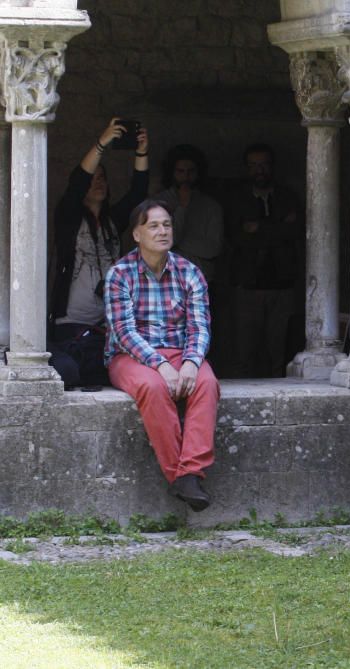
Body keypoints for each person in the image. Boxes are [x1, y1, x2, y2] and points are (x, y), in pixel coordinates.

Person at [105, 199, 220, 511]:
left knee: (207, 385)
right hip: (130, 356)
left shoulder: (189, 272)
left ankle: (191, 471)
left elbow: (199, 326)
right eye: (153, 225)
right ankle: (180, 477)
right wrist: (161, 366)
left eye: (167, 224)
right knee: (152, 387)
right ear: (137, 235)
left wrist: (191, 363)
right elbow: (124, 332)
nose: (162, 231)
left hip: (180, 352)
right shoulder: (120, 274)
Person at [49, 118, 150, 388]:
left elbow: (138, 193)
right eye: (94, 179)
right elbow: (76, 183)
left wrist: (141, 151)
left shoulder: (112, 222)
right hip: (70, 322)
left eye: (103, 178)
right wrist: (102, 142)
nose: (99, 183)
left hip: (107, 322)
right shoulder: (68, 217)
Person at [226, 143, 304, 378]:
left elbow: (296, 232)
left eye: (264, 165)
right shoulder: (236, 199)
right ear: (246, 169)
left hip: (282, 284)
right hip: (247, 285)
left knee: (280, 349)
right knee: (244, 350)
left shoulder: (287, 196)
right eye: (253, 166)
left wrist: (258, 229)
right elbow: (236, 237)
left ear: (272, 167)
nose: (259, 170)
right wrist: (279, 227)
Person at [153, 144, 224, 285]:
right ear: (172, 173)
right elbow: (157, 245)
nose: (186, 177)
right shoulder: (157, 203)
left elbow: (213, 249)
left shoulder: (211, 206)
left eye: (191, 171)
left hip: (200, 283)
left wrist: (177, 241)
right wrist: (182, 208)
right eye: (180, 171)